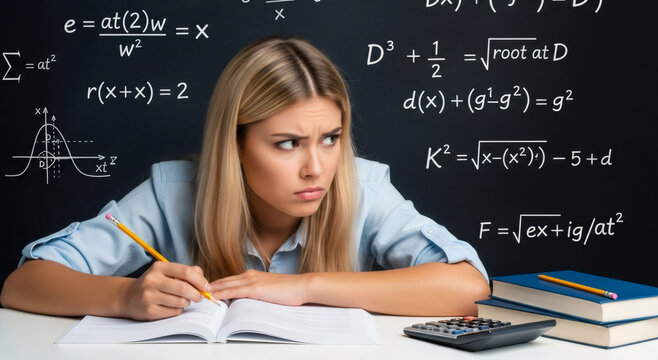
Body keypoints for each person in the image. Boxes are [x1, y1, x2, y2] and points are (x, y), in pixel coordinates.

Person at [0, 36, 489, 321]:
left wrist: (307, 286)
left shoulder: (363, 187)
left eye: (330, 138)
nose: (316, 167)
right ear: (234, 144)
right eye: (287, 143)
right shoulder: (172, 192)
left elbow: (469, 284)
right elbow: (23, 284)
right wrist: (125, 296)